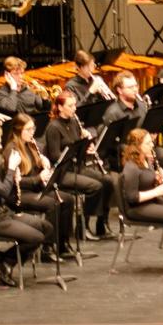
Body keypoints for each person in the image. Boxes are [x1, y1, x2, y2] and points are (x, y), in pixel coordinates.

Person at [0, 121, 51, 287]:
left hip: (3, 213)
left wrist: (15, 177)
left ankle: (3, 258)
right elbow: (2, 190)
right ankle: (7, 262)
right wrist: (12, 169)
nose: (0, 147)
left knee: (46, 227)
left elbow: (5, 187)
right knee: (37, 237)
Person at [40, 88, 111, 239]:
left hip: (77, 167)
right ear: (60, 107)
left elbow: (78, 147)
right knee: (95, 186)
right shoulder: (53, 127)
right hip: (62, 172)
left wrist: (86, 143)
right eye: (70, 106)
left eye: (74, 105)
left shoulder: (74, 122)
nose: (74, 109)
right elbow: (55, 155)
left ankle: (98, 222)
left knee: (107, 181)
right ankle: (82, 226)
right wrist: (76, 150)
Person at [119, 128, 163, 274]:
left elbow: (146, 181)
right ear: (137, 146)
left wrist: (158, 177)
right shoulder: (131, 168)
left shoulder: (146, 160)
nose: (152, 145)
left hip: (150, 201)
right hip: (136, 208)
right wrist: (158, 191)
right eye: (147, 143)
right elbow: (132, 198)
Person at [2, 114, 73, 260]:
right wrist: (38, 178)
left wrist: (43, 164)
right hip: (18, 194)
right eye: (28, 129)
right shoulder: (12, 150)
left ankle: (62, 244)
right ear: (18, 130)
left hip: (34, 190)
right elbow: (15, 181)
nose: (32, 132)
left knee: (68, 199)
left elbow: (36, 168)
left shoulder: (31, 145)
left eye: (33, 129)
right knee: (53, 204)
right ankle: (47, 247)